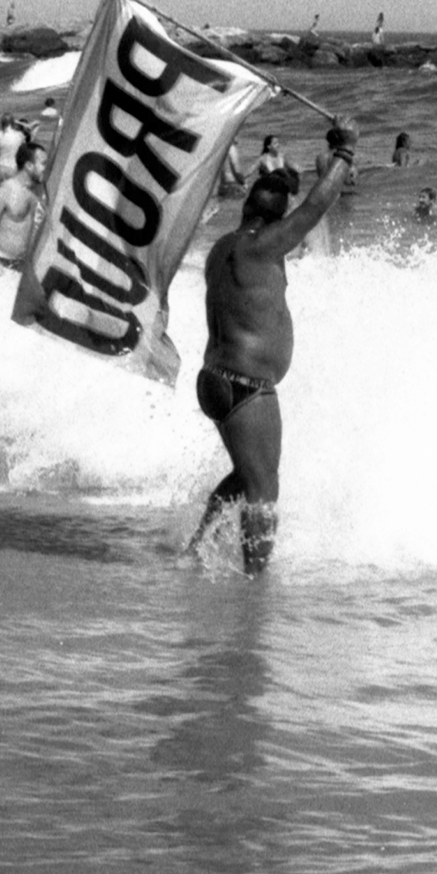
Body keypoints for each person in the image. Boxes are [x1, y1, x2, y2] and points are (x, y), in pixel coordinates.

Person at [186, 120, 357, 574]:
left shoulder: (222, 248)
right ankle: (254, 581)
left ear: (245, 208)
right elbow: (316, 207)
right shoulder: (261, 248)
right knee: (264, 487)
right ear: (275, 223)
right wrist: (345, 153)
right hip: (246, 387)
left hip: (214, 380)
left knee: (247, 475)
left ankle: (196, 549)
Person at [0, 141, 48, 271]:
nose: (47, 168)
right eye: (43, 163)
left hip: (19, 266)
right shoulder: (5, 190)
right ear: (29, 166)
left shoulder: (38, 193)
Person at [0, 115, 29, 180]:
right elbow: (25, 152)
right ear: (13, 123)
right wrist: (19, 123)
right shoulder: (20, 135)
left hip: (1, 167)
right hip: (14, 167)